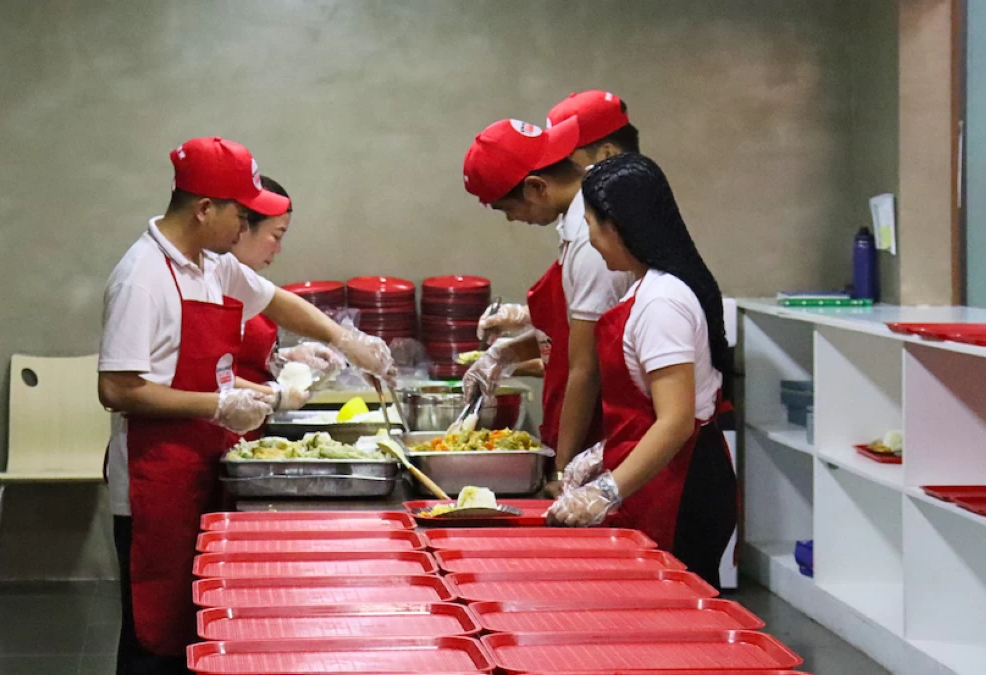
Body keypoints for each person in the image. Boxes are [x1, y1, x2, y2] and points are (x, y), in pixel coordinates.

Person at [97, 136, 394, 675]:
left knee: (198, 623)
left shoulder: (210, 264)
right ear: (205, 208)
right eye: (241, 211)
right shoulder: (141, 276)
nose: (245, 225)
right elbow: (117, 389)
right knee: (154, 631)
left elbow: (277, 300)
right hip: (152, 477)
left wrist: (349, 340)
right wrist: (217, 404)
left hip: (202, 466)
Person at [546, 153, 737, 590]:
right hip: (660, 472)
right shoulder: (647, 286)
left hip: (682, 483)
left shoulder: (661, 303)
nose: (590, 239)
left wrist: (605, 492)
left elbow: (674, 422)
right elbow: (646, 405)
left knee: (680, 614)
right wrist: (595, 459)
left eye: (591, 224)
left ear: (616, 225)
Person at [461, 114, 634, 492]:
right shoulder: (574, 223)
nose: (511, 220)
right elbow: (569, 332)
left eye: (508, 209)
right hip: (593, 426)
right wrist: (506, 352)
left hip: (611, 429)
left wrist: (562, 469)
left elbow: (586, 367)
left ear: (537, 187)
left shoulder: (592, 241)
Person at [474, 90, 640, 346]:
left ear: (606, 155)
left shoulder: (596, 235)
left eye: (567, 154)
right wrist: (517, 339)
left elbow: (588, 365)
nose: (562, 163)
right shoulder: (577, 221)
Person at [227, 175, 345, 439]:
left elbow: (243, 353)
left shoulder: (245, 282)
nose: (279, 249)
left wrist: (285, 358)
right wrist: (275, 395)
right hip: (211, 433)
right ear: (242, 227)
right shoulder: (208, 282)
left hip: (246, 434)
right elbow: (200, 377)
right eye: (276, 235)